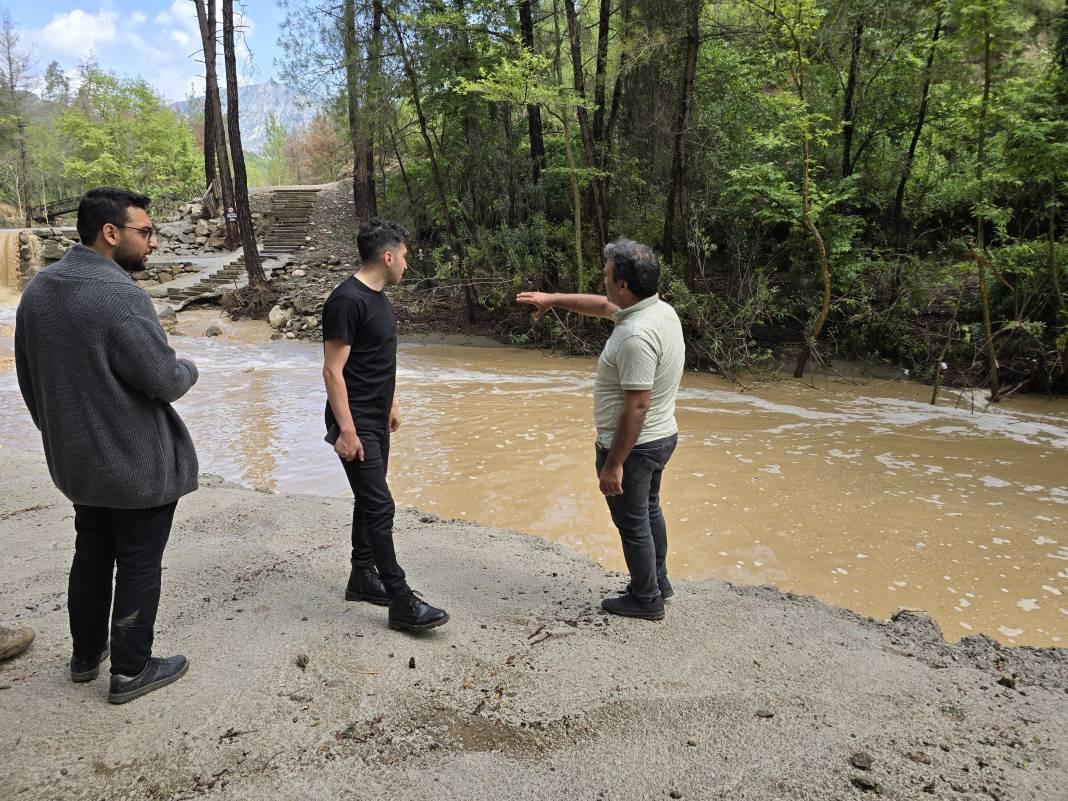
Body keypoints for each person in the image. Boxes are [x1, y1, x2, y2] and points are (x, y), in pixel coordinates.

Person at [15, 187, 198, 702]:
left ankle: (85, 656)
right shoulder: (117, 295)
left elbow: (29, 381)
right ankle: (131, 670)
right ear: (111, 233)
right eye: (146, 232)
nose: (154, 244)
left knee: (91, 552)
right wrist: (188, 366)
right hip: (134, 465)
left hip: (76, 462)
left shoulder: (39, 290)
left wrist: (60, 434)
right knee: (140, 560)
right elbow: (163, 377)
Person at [517, 239, 685, 621]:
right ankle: (658, 581)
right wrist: (554, 298)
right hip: (662, 437)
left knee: (633, 522)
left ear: (623, 284)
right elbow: (601, 306)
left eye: (607, 274)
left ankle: (646, 598)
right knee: (649, 510)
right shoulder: (658, 312)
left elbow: (637, 406)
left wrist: (613, 464)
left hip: (636, 447)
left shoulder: (635, 336)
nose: (603, 280)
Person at [322, 217, 449, 633]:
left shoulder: (379, 297)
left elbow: (380, 358)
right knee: (381, 506)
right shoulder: (347, 300)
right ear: (388, 255)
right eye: (406, 257)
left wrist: (391, 402)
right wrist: (347, 430)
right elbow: (333, 371)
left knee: (368, 499)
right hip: (354, 421)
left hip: (375, 416)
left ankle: (362, 576)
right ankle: (400, 599)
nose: (407, 265)